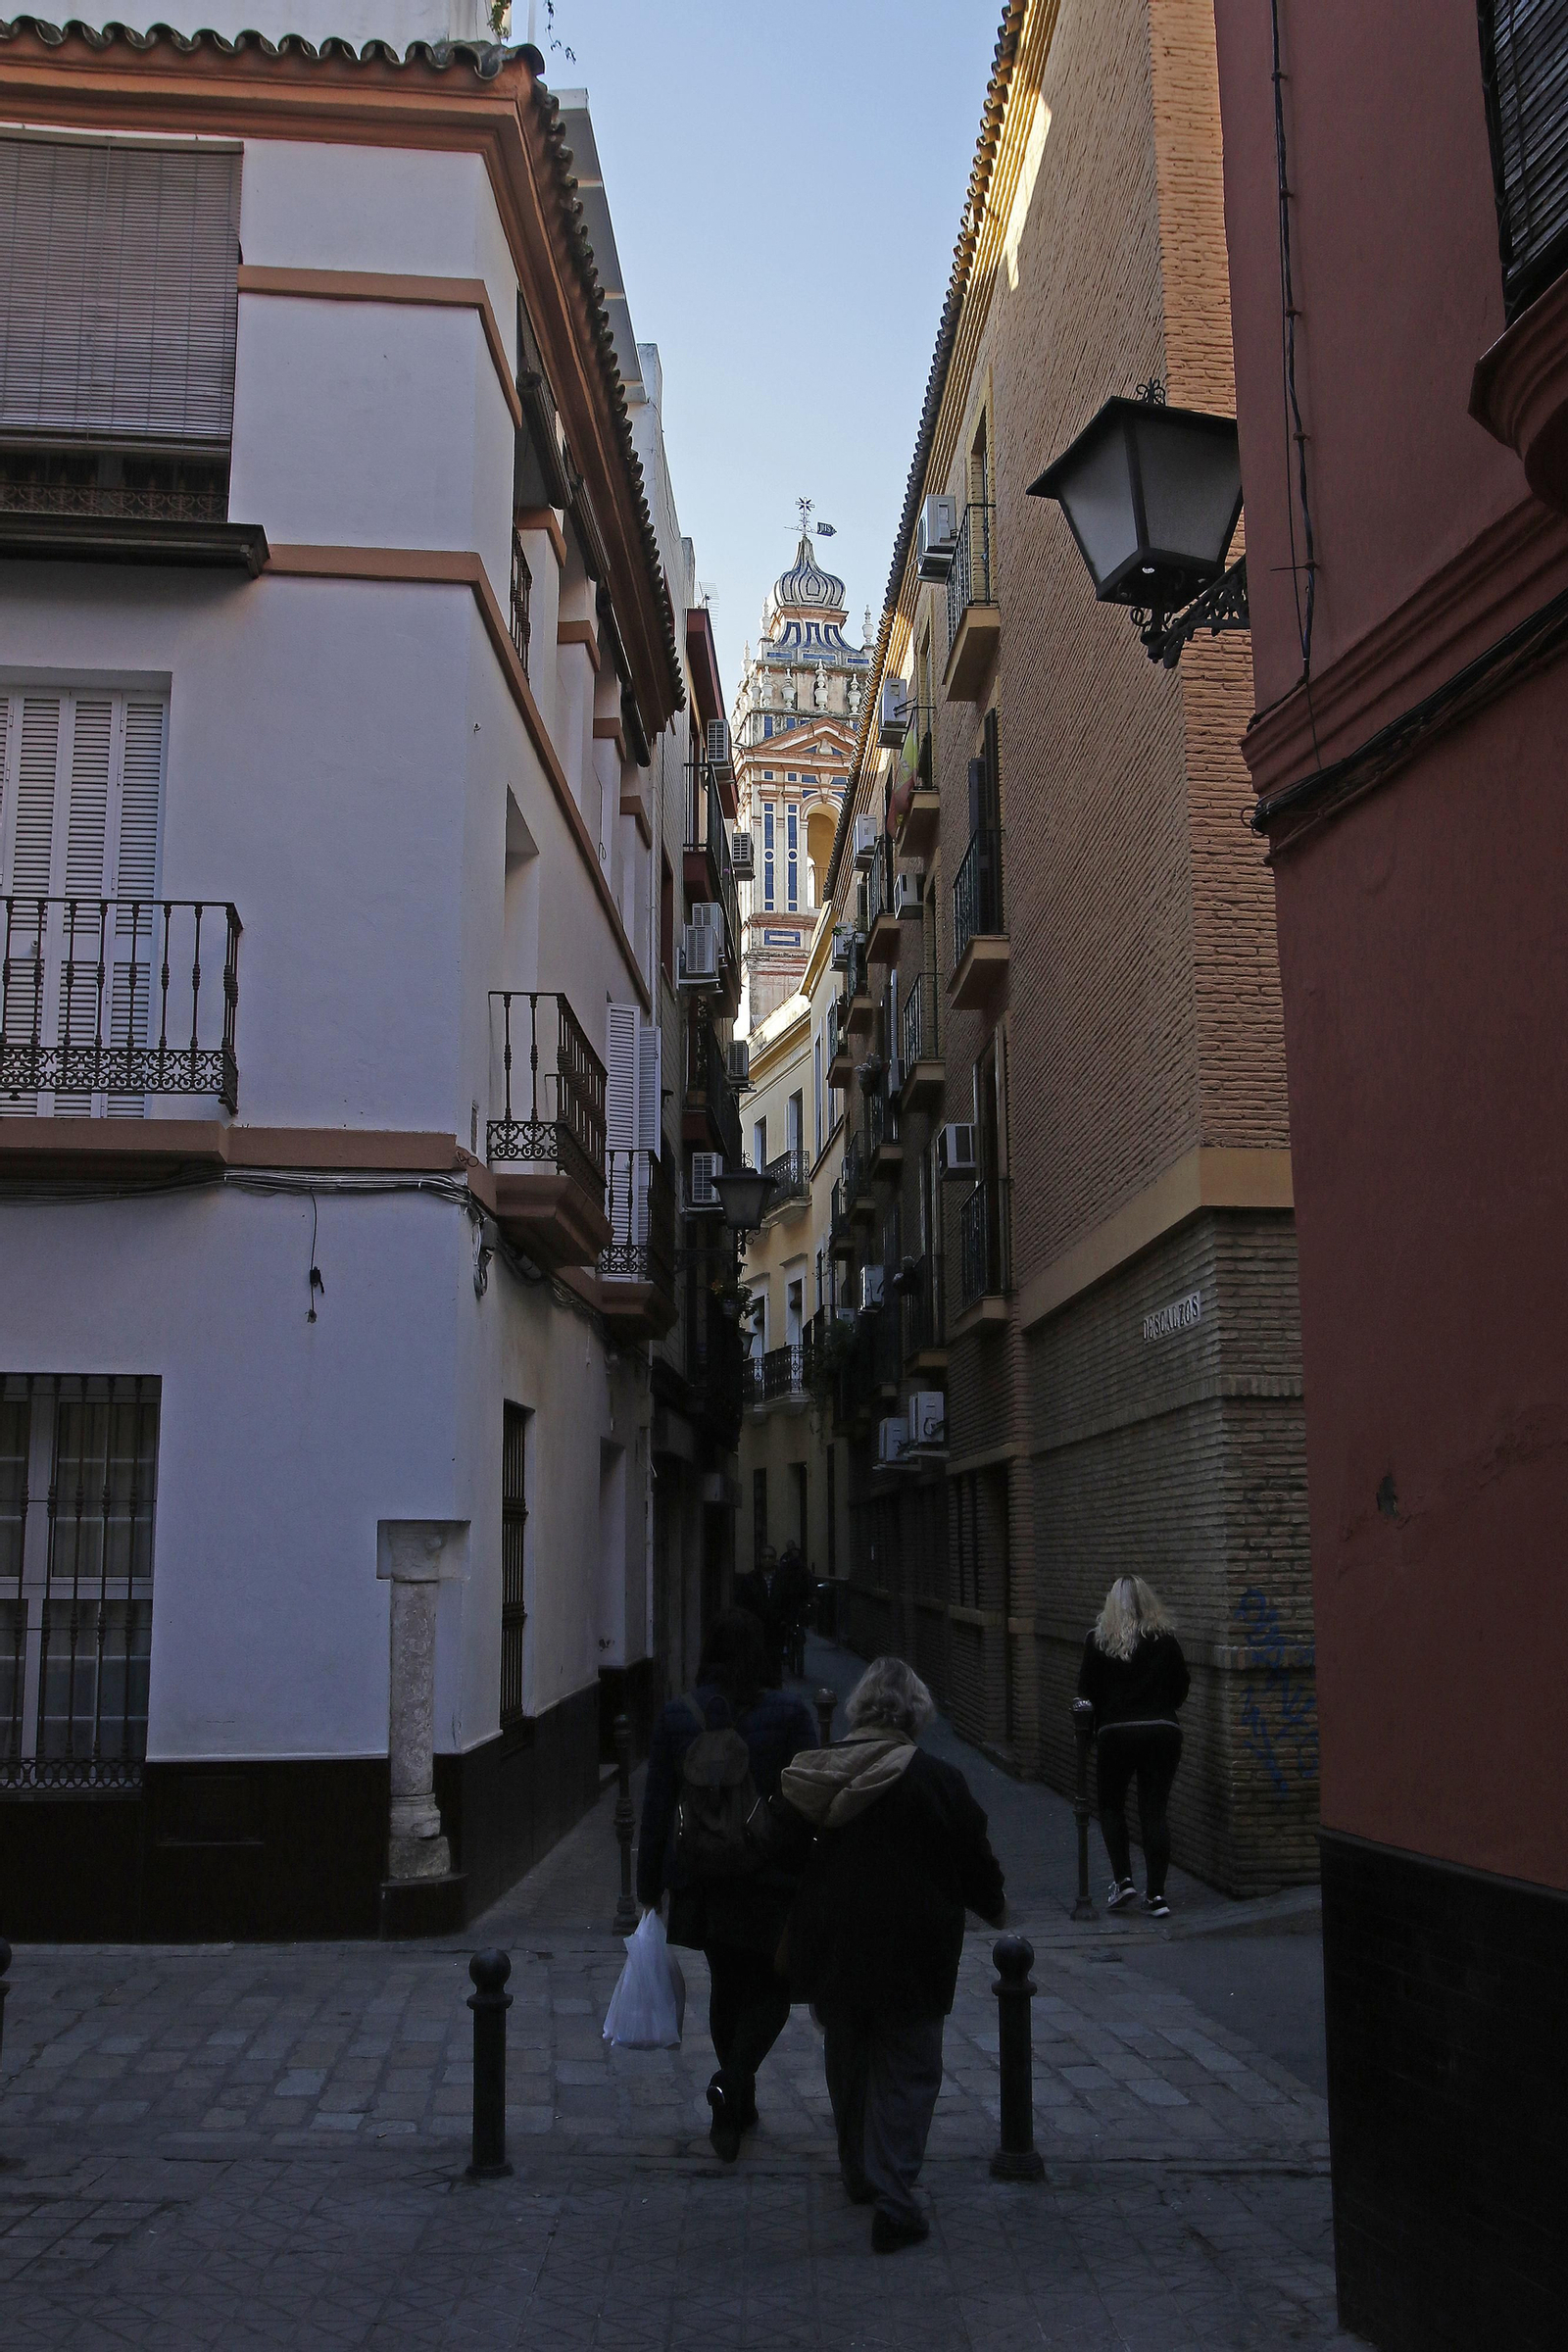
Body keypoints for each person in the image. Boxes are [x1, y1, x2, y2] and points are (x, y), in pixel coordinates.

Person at [777, 1656, 1004, 2252]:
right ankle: (895, 2199)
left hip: (839, 1950)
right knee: (908, 2072)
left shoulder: (825, 1775)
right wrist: (995, 1907)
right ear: (917, 1715)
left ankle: (858, 2172)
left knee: (849, 2061)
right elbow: (978, 1867)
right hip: (915, 1954)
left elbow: (787, 1854)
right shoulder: (939, 1782)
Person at [636, 1609, 816, 2160]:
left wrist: (648, 1887)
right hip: (769, 1874)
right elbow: (807, 1793)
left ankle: (736, 2101)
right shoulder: (789, 1713)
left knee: (727, 1983)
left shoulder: (677, 1717)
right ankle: (733, 2086)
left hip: (703, 1877)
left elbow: (659, 1805)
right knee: (773, 1988)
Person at [1076, 1574, 1191, 1918]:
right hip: (1162, 1730)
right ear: (1147, 1602)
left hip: (1117, 1732)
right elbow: (1181, 1687)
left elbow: (1086, 1690)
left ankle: (1123, 1880)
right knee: (1154, 1811)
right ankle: (1157, 1897)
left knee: (1111, 1806)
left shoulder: (1098, 1640)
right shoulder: (1165, 1640)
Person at [732, 1545, 789, 1686]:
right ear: (760, 1559)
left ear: (775, 1559)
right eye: (764, 1557)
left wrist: (785, 1619)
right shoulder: (750, 1579)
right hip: (757, 1626)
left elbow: (789, 1599)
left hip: (776, 1627)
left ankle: (774, 1685)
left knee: (775, 1659)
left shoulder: (783, 1578)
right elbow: (743, 1601)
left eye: (770, 1557)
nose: (767, 1560)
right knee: (757, 1657)